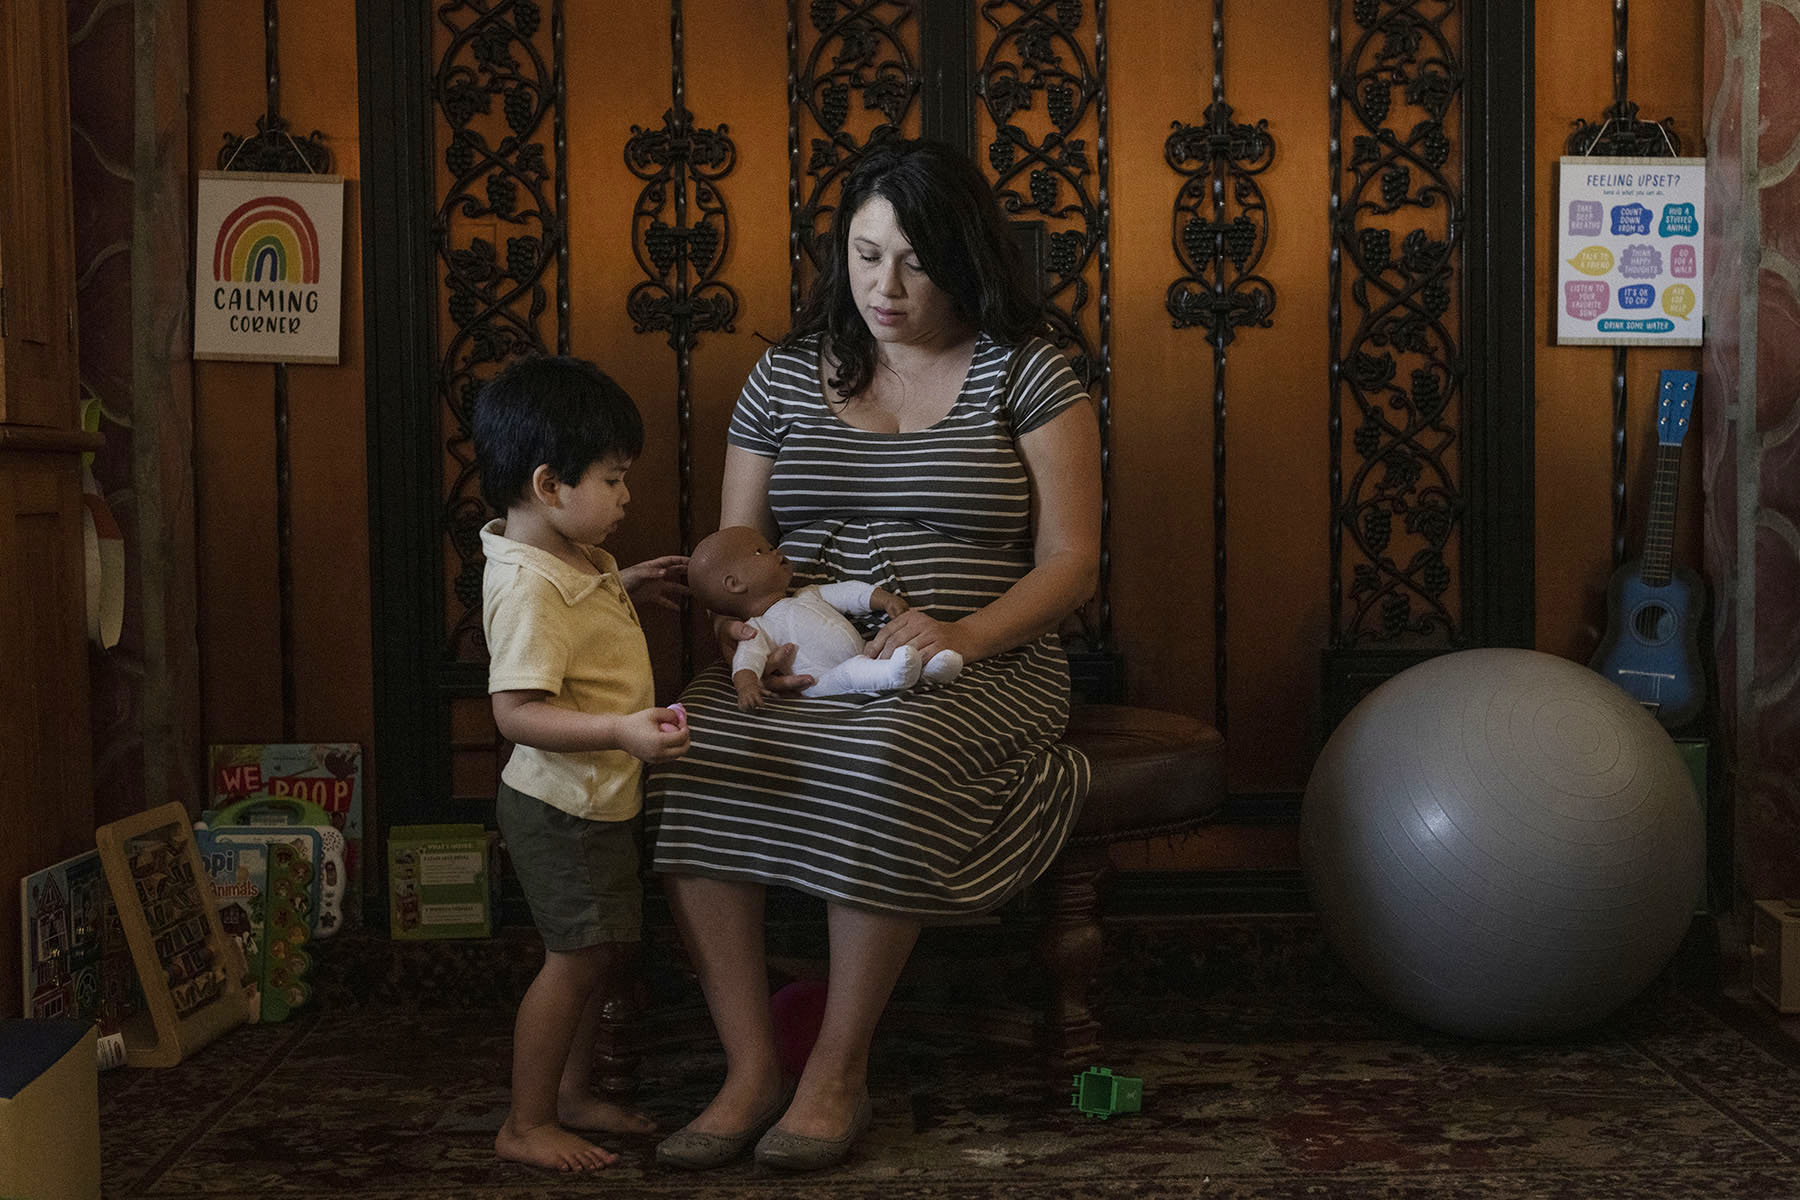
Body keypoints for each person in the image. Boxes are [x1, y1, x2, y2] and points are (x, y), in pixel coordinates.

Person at [647, 136, 1100, 1172]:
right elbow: (732, 567)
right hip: (802, 658)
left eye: (913, 260)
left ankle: (836, 1068)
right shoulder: (777, 378)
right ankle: (751, 1064)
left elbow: (1073, 563)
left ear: (964, 256)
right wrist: (743, 643)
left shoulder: (1027, 372)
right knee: (690, 749)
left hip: (979, 661)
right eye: (863, 255)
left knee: (883, 754)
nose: (884, 287)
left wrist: (965, 633)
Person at [471, 354, 692, 1172]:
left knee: (599, 951)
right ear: (549, 485)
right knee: (576, 959)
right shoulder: (529, 589)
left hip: (591, 800)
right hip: (562, 805)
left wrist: (622, 584)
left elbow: (574, 612)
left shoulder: (574, 562)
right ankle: (525, 1123)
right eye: (614, 478)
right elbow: (515, 712)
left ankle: (566, 1095)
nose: (627, 496)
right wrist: (623, 732)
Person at [686, 523, 965, 708]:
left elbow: (848, 593)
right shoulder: (758, 628)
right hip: (822, 681)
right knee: (855, 671)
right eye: (761, 551)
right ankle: (895, 674)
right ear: (735, 584)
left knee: (879, 660)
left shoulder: (808, 593)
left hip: (865, 654)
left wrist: (883, 599)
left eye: (772, 546)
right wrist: (746, 686)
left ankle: (932, 670)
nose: (776, 552)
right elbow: (746, 659)